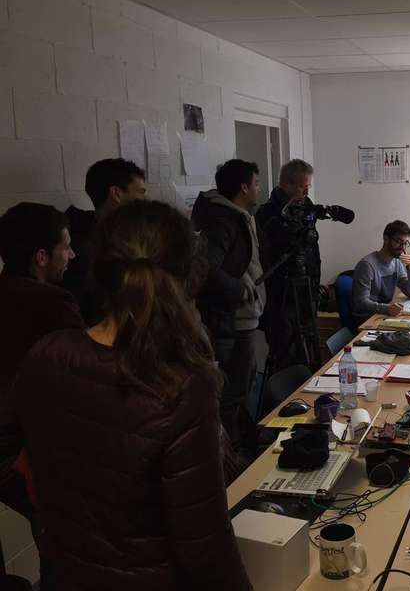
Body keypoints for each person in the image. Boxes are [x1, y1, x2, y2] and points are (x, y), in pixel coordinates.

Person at [11, 200, 252, 591]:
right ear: (185, 275)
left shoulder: (48, 353)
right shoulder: (182, 387)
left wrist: (48, 517)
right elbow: (206, 551)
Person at [0, 203, 85, 588]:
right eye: (65, 247)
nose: (72, 255)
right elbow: (88, 373)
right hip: (25, 453)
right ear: (41, 257)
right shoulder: (50, 303)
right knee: (63, 548)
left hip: (9, 450)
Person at [192, 159, 264, 447]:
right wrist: (240, 290)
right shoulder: (224, 220)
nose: (259, 189)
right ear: (244, 187)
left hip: (242, 317)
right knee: (234, 391)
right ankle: (234, 456)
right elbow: (206, 268)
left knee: (244, 384)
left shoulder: (237, 215)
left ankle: (241, 441)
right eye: (256, 183)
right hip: (230, 320)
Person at [255, 159, 321, 371]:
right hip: (281, 296)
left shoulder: (306, 208)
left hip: (306, 292)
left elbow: (310, 249)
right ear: (287, 184)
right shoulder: (267, 214)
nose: (307, 192)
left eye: (309, 186)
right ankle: (282, 400)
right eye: (304, 186)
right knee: (286, 357)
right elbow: (269, 255)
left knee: (309, 352)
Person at [62, 158, 147, 324]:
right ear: (116, 194)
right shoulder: (80, 249)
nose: (145, 199)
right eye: (141, 192)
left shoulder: (132, 238)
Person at [351, 220, 410, 324]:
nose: (402, 247)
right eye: (398, 241)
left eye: (405, 243)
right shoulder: (366, 265)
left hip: (383, 316)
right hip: (367, 319)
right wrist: (387, 308)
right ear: (386, 239)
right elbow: (361, 302)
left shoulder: (397, 263)